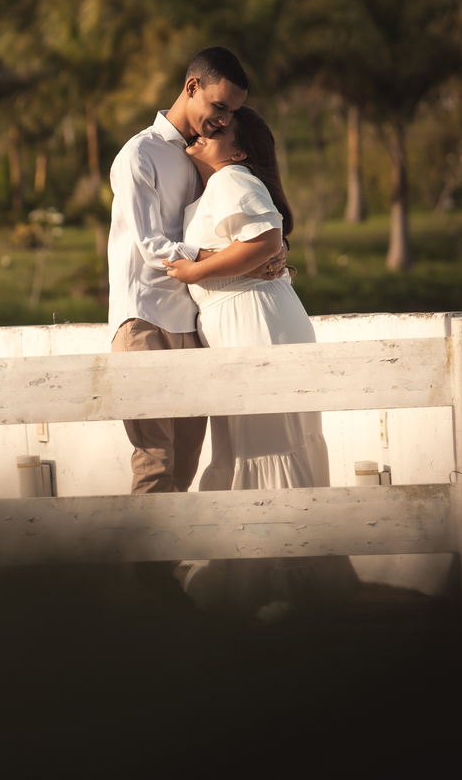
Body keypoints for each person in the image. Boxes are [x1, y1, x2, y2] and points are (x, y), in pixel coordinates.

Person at [163, 106, 360, 619]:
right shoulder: (218, 186)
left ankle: (290, 586)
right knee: (249, 441)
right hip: (246, 320)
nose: (208, 131)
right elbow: (262, 244)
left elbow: (267, 241)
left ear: (241, 149)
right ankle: (258, 582)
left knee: (267, 440)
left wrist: (194, 270)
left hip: (256, 322)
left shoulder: (232, 178)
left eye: (220, 129)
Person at [107, 46, 285, 501]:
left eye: (233, 112)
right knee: (155, 462)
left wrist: (264, 260)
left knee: (185, 466)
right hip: (144, 320)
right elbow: (152, 246)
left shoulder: (205, 155)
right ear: (192, 87)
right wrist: (230, 255)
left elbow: (234, 226)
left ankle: (169, 572)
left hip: (195, 324)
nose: (225, 120)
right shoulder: (139, 155)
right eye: (219, 107)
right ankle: (144, 573)